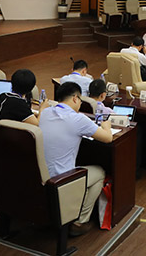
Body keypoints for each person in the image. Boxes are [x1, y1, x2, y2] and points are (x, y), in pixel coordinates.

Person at [39, 81, 112, 237]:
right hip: (61, 181)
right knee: (100, 172)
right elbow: (107, 138)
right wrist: (106, 125)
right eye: (80, 100)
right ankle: (79, 221)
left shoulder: (45, 113)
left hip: (41, 178)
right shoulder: (78, 119)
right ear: (75, 98)